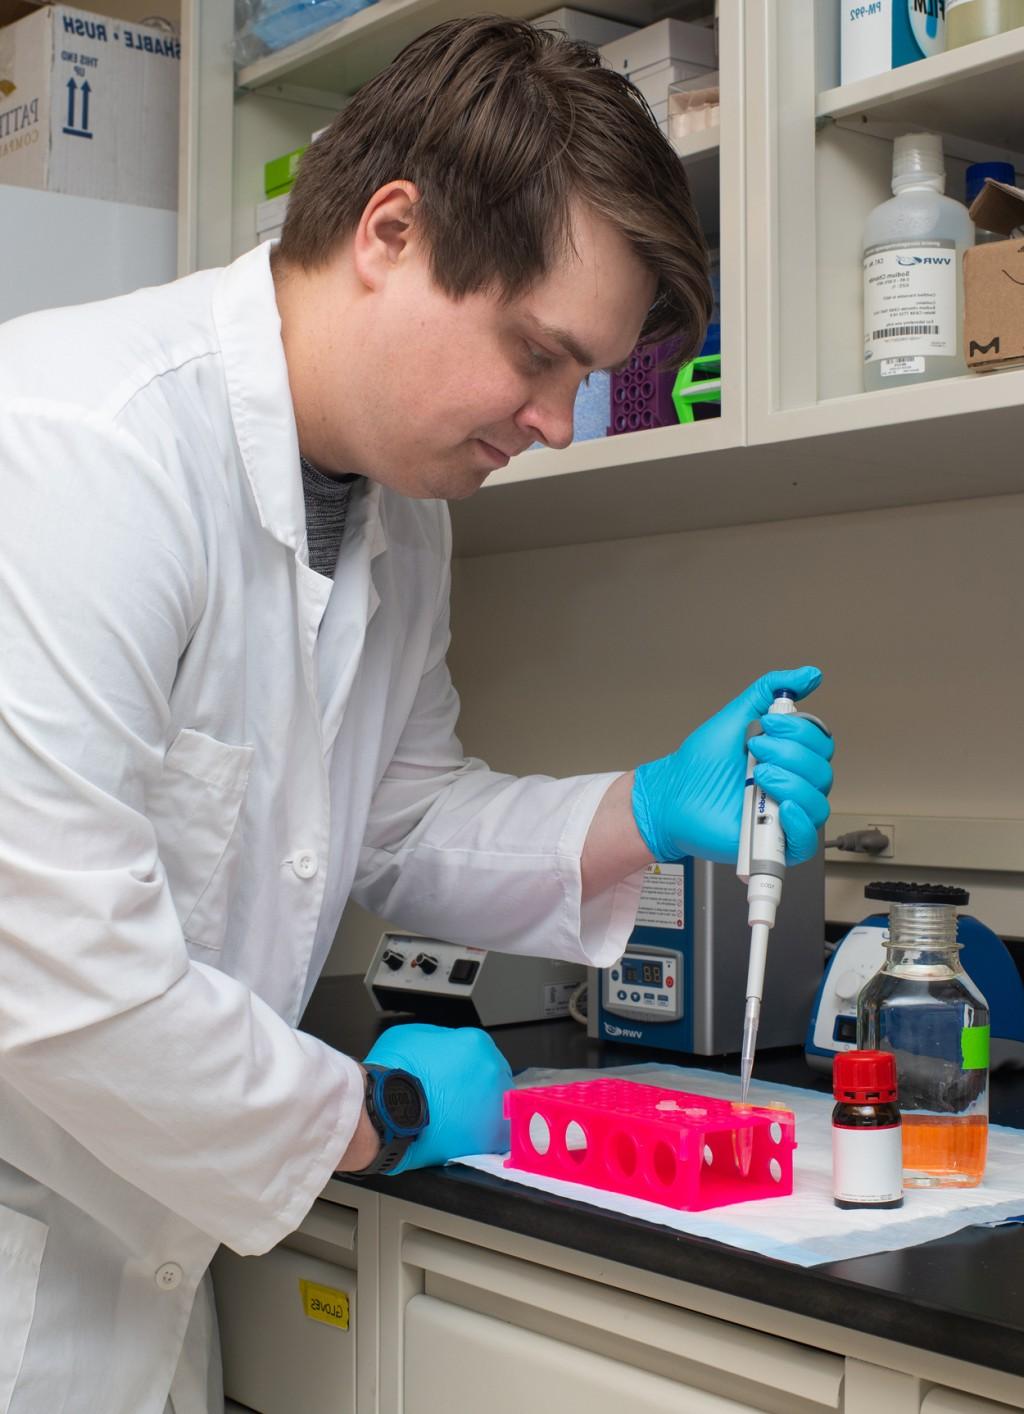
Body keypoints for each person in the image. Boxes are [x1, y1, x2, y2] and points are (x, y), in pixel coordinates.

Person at [0, 16, 833, 1414]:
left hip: (141, 1261)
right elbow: (57, 972)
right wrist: (368, 1116)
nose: (560, 422)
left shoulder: (403, 514)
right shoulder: (79, 445)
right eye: (540, 355)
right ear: (391, 230)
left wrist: (644, 802)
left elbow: (391, 816)